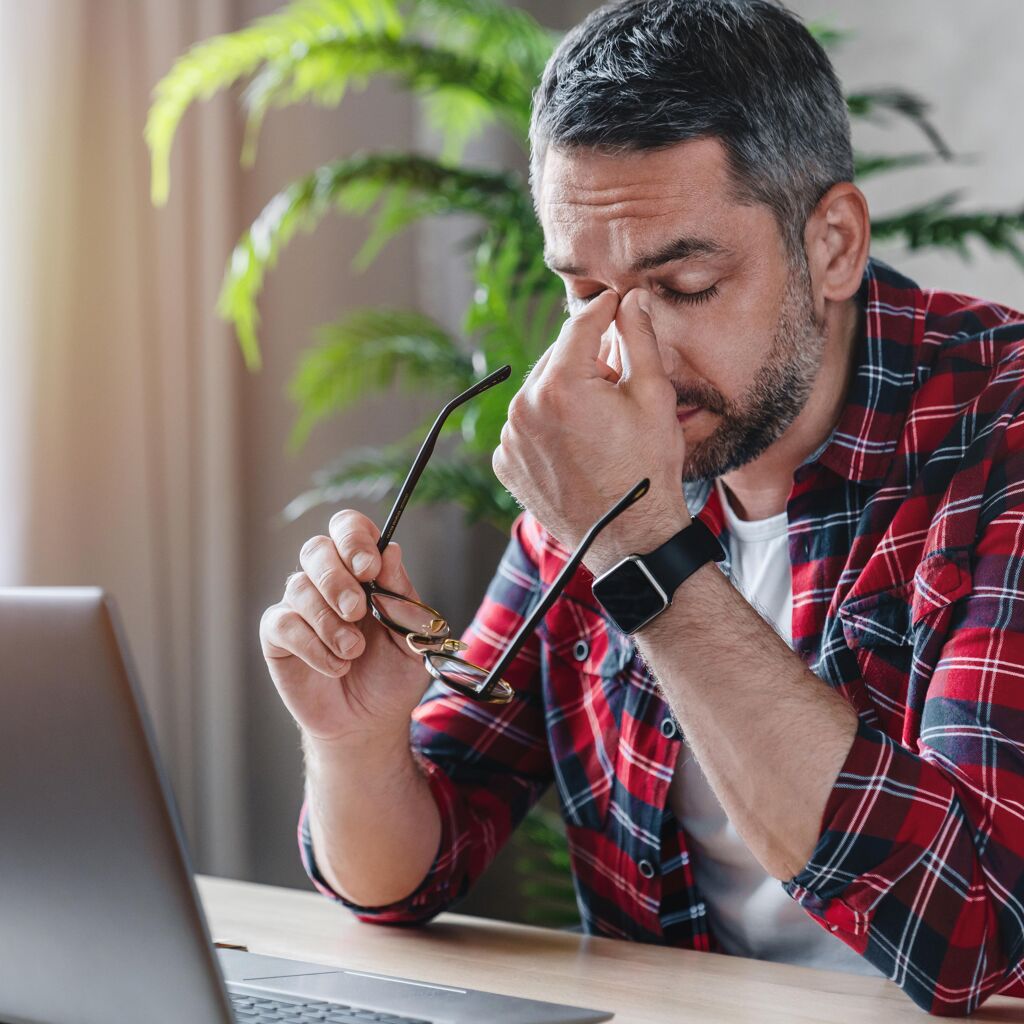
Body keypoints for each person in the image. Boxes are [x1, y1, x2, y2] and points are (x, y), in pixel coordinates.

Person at [259, 0, 1024, 1014]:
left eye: (687, 281)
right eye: (583, 293)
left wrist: (643, 549)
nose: (630, 355)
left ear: (833, 243)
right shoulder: (599, 439)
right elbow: (411, 870)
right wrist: (356, 745)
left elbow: (974, 935)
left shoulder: (998, 440)